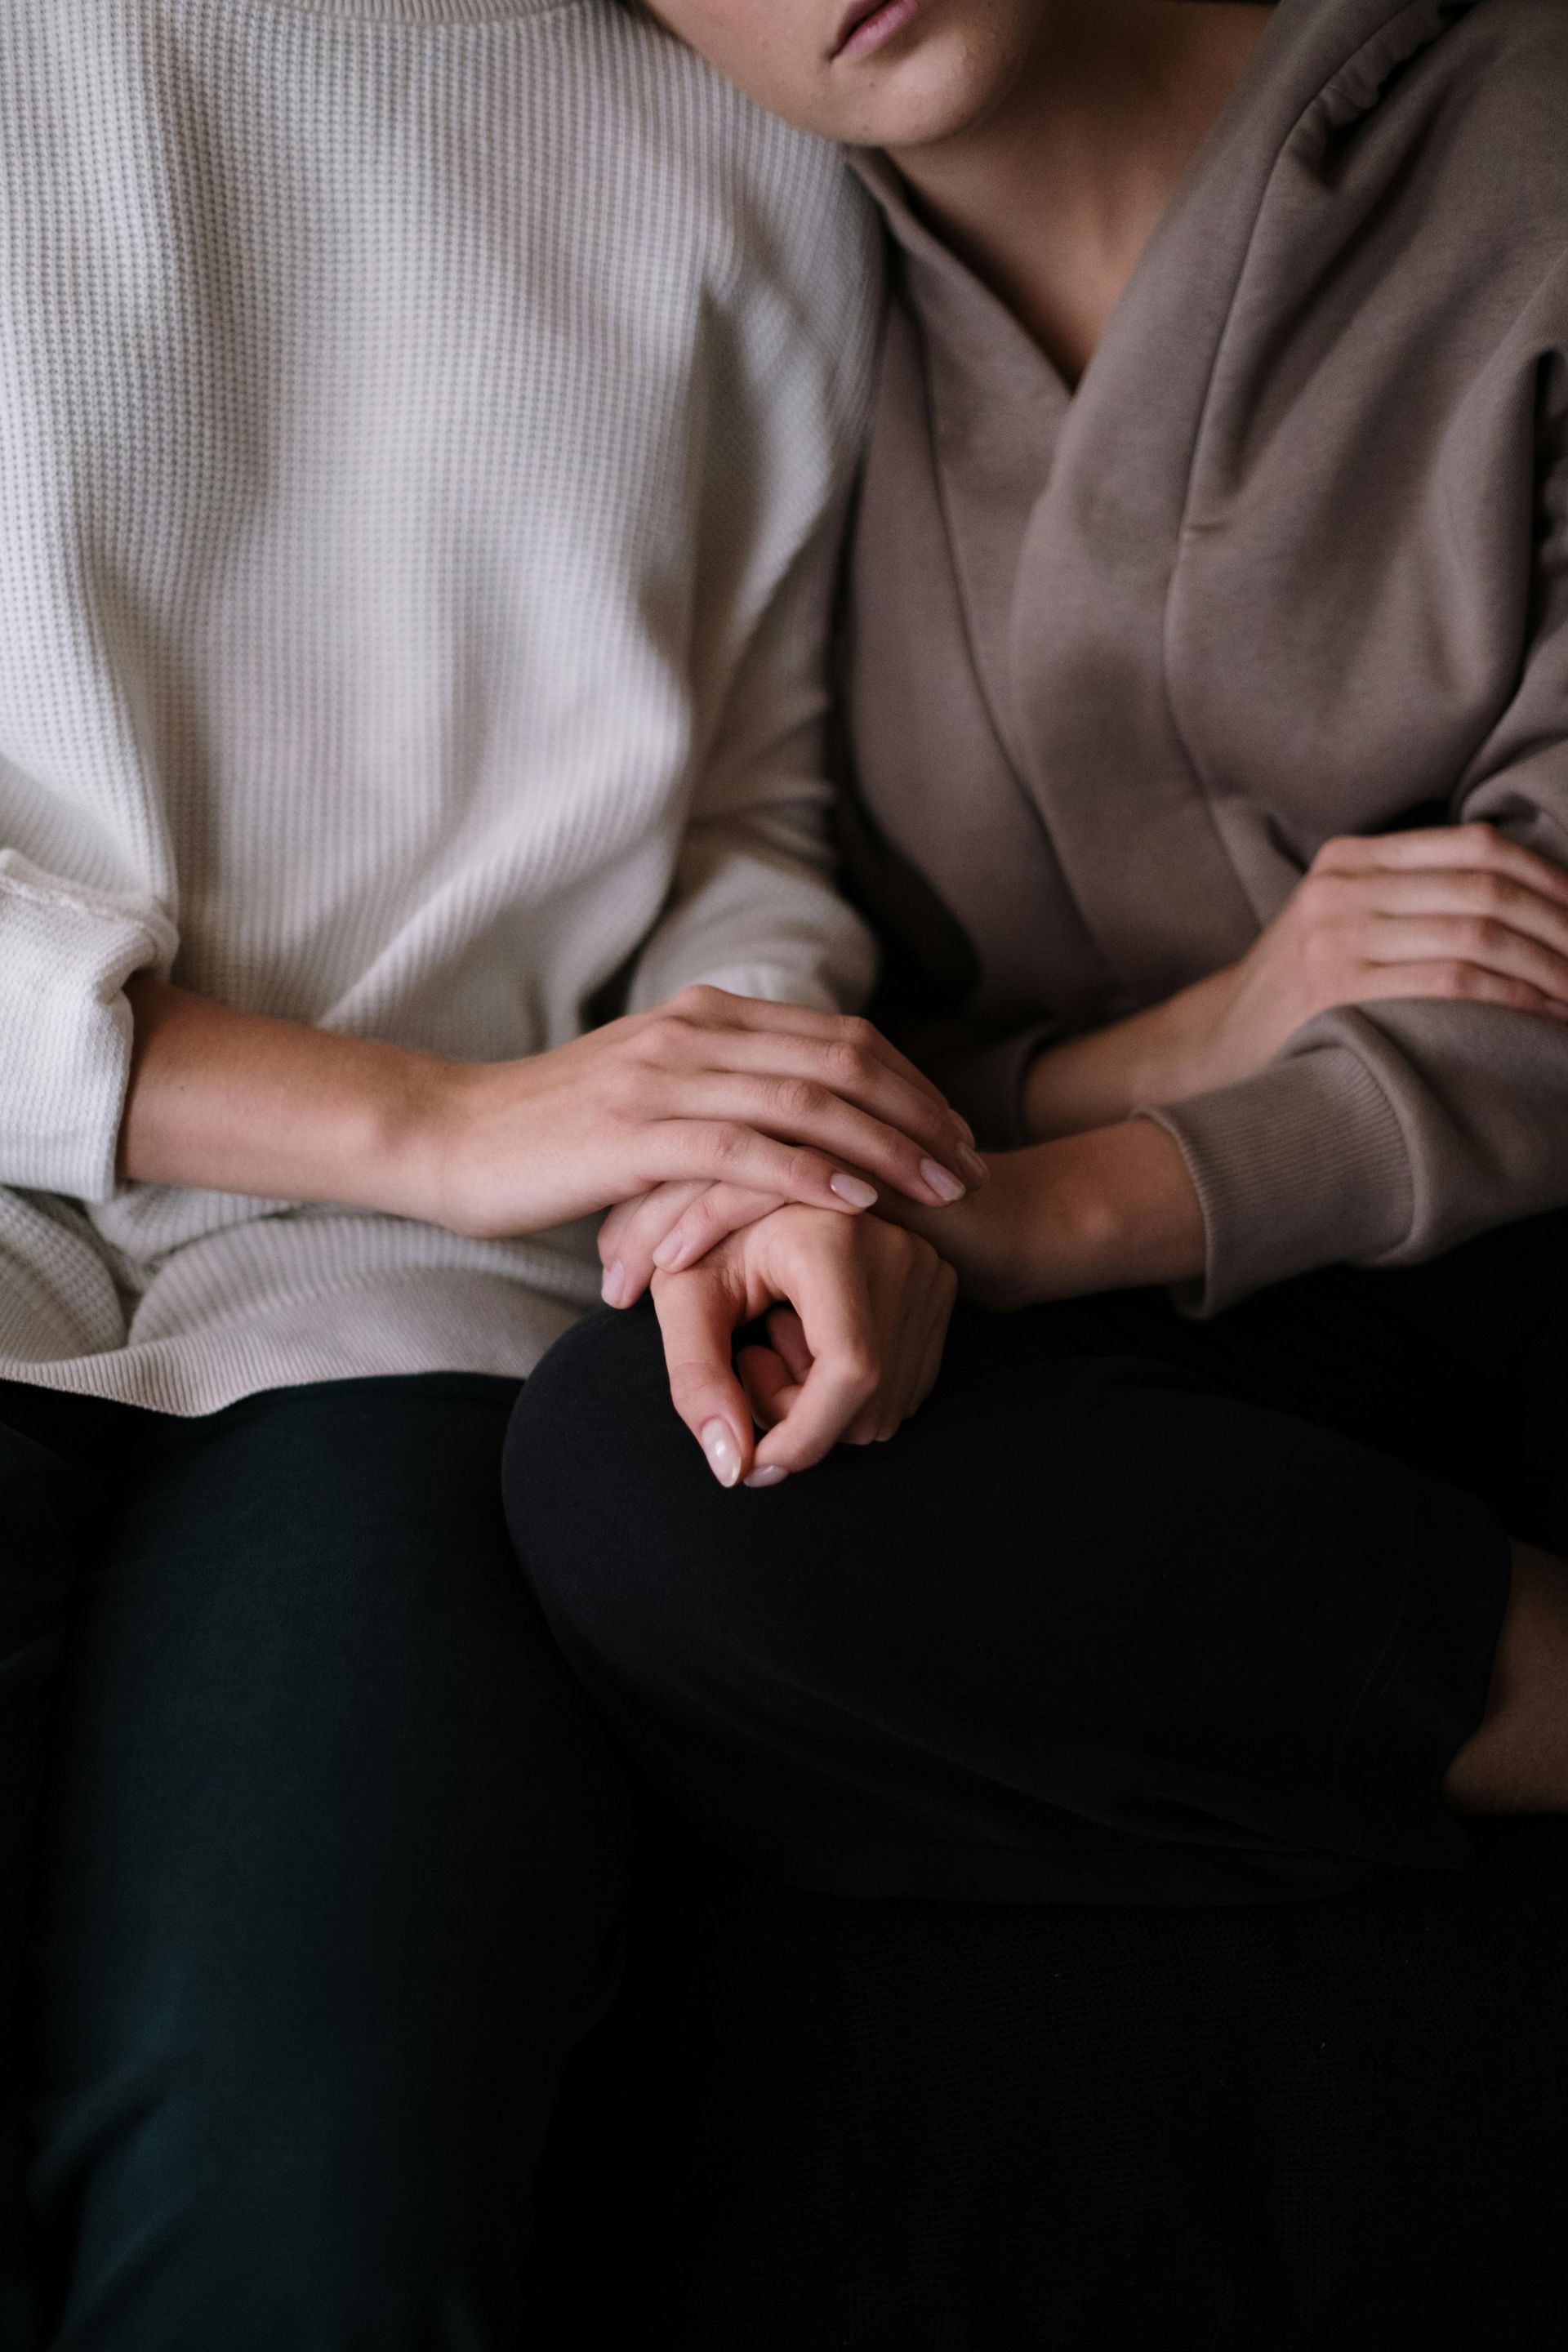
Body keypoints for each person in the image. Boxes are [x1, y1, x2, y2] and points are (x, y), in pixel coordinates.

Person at [0, 2, 986, 2341]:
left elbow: (750, 821)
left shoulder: (769, 128)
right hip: (246, 1184)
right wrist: (427, 1120)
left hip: (429, 1311)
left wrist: (765, 1149)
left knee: (313, 2180)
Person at [508, 0, 1568, 1914]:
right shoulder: (788, 371)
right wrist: (1178, 1045)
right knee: (658, 1458)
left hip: (1524, 1253)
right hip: (1243, 1372)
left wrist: (1009, 1213)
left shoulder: (1520, 123)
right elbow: (910, 1021)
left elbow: (1538, 975)